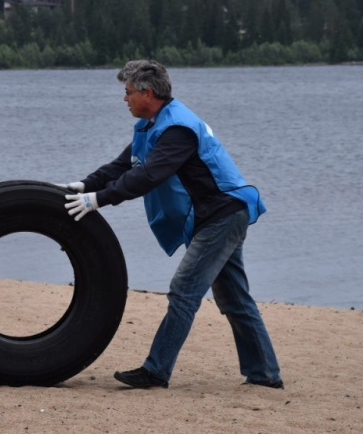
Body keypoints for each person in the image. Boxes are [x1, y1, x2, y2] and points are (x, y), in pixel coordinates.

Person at [62, 59, 283, 390]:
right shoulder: (153, 125)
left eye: (128, 92)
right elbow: (123, 166)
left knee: (183, 290)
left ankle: (156, 371)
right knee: (235, 299)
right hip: (217, 216)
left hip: (222, 216)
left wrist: (99, 200)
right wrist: (85, 185)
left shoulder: (178, 129)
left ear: (148, 94)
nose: (124, 98)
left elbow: (149, 175)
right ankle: (265, 374)